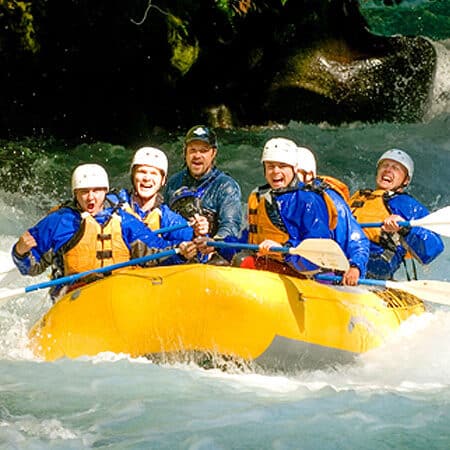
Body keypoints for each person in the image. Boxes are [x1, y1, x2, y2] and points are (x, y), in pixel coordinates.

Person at [12, 163, 197, 299]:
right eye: (84, 191)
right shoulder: (59, 221)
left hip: (120, 292)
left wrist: (182, 252)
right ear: (75, 193)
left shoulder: (124, 221)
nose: (91, 197)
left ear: (105, 192)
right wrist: (20, 251)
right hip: (74, 297)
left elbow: (157, 253)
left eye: (97, 191)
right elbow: (31, 267)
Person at [234, 137, 334, 276]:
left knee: (245, 262)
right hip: (272, 264)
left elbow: (318, 250)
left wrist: (283, 249)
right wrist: (214, 243)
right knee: (234, 260)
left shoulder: (308, 199)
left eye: (282, 166)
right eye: (270, 166)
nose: (275, 171)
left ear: (294, 169)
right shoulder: (259, 197)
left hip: (305, 272)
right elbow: (246, 240)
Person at [349, 148, 444, 280]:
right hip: (348, 251)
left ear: (405, 180)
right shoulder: (359, 197)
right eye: (385, 165)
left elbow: (433, 248)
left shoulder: (406, 204)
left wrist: (404, 228)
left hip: (377, 260)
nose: (388, 170)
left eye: (396, 168)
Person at [164, 125, 243, 263]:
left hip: (214, 256)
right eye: (192, 150)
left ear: (213, 153)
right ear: (185, 152)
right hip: (181, 251)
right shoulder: (173, 183)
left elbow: (230, 226)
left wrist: (214, 243)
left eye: (203, 151)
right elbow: (163, 222)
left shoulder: (226, 186)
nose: (197, 156)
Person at [296, 146, 369, 285]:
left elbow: (358, 240)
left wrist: (355, 267)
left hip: (323, 272)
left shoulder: (332, 202)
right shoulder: (275, 196)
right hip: (291, 264)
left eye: (295, 173)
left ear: (309, 175)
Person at [107, 146, 208, 244]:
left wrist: (198, 233)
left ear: (163, 180)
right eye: (142, 172)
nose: (147, 178)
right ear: (133, 176)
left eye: (154, 173)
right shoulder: (113, 203)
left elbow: (195, 242)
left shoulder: (166, 217)